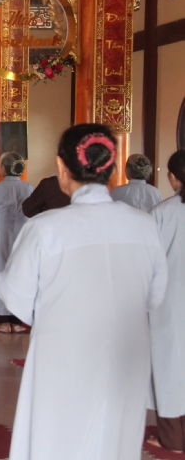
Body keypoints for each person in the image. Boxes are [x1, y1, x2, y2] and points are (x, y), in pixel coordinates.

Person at [0, 124, 167, 460]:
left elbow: (14, 293)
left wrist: (56, 313)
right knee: (114, 442)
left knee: (58, 440)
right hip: (126, 359)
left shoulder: (46, 229)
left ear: (62, 166)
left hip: (64, 355)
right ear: (112, 167)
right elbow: (155, 296)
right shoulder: (146, 226)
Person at [148, 150, 185, 453]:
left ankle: (172, 437)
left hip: (170, 299)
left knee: (170, 365)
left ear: (173, 178)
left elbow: (148, 261)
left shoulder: (163, 212)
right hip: (171, 299)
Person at [0, 152, 33, 333]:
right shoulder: (28, 188)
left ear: (3, 168)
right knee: (18, 273)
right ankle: (17, 320)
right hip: (22, 234)